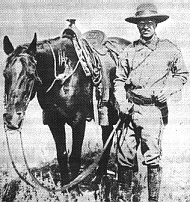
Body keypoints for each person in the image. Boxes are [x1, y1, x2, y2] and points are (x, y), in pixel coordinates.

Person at [114, 3, 189, 202]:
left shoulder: (168, 48)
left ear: (156, 24)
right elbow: (119, 80)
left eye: (149, 23)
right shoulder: (129, 51)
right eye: (141, 23)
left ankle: (152, 200)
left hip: (152, 111)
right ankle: (124, 199)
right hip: (130, 110)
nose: (145, 27)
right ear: (137, 26)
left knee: (152, 158)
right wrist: (121, 102)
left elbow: (182, 75)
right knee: (124, 156)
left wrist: (168, 89)